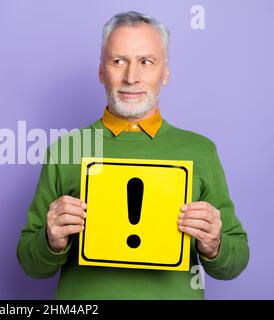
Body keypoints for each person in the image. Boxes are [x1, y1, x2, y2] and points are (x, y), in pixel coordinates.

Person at [16, 11, 249, 299]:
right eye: (118, 61)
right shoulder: (66, 149)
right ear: (101, 71)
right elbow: (31, 264)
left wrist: (214, 245)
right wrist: (50, 240)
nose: (131, 77)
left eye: (146, 62)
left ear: (165, 73)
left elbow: (235, 261)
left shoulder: (200, 150)